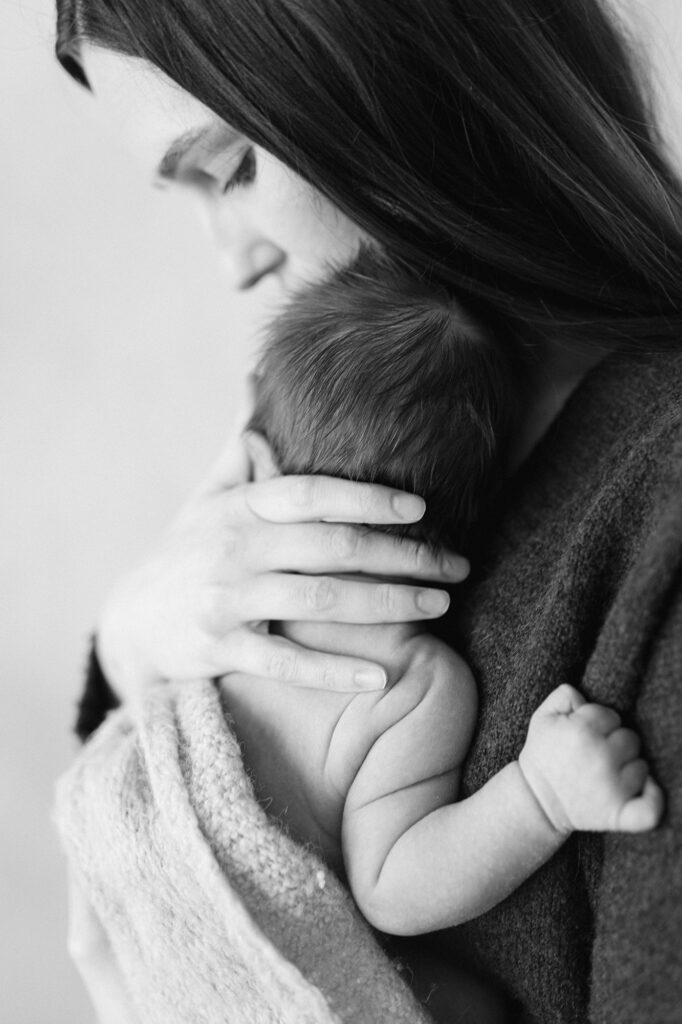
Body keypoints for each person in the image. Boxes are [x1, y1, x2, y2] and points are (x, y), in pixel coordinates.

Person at [55, 1, 682, 1021]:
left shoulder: (649, 528)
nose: (233, 261)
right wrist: (132, 638)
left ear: (389, 74)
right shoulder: (323, 466)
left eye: (227, 168)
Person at [224, 248, 664, 939]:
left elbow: (388, 893)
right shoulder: (414, 684)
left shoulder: (233, 613)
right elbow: (394, 886)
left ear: (255, 464)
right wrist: (541, 794)